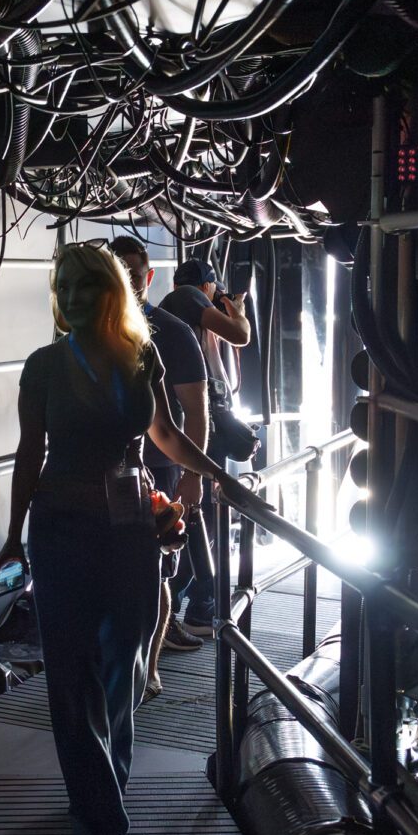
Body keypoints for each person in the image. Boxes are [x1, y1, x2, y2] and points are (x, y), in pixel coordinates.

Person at [0, 242, 259, 835]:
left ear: (111, 292)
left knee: (128, 664)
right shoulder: (43, 366)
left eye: (86, 286)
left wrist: (217, 475)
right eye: (65, 288)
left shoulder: (142, 356)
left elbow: (166, 434)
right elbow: (29, 454)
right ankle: (98, 812)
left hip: (131, 527)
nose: (74, 297)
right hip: (62, 530)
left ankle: (104, 782)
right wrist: (11, 536)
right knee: (72, 672)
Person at [109, 235, 208, 702]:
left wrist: (196, 474)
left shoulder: (172, 333)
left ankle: (148, 669)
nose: (129, 281)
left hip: (161, 469)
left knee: (157, 572)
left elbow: (195, 413)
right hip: (108, 474)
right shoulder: (91, 333)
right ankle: (122, 666)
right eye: (119, 272)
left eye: (135, 272)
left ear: (149, 276)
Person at [160, 258, 251, 635]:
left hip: (196, 423)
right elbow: (240, 335)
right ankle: (194, 603)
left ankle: (194, 600)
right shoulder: (189, 297)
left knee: (201, 518)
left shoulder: (177, 306)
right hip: (196, 425)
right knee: (198, 517)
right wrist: (237, 309)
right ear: (207, 286)